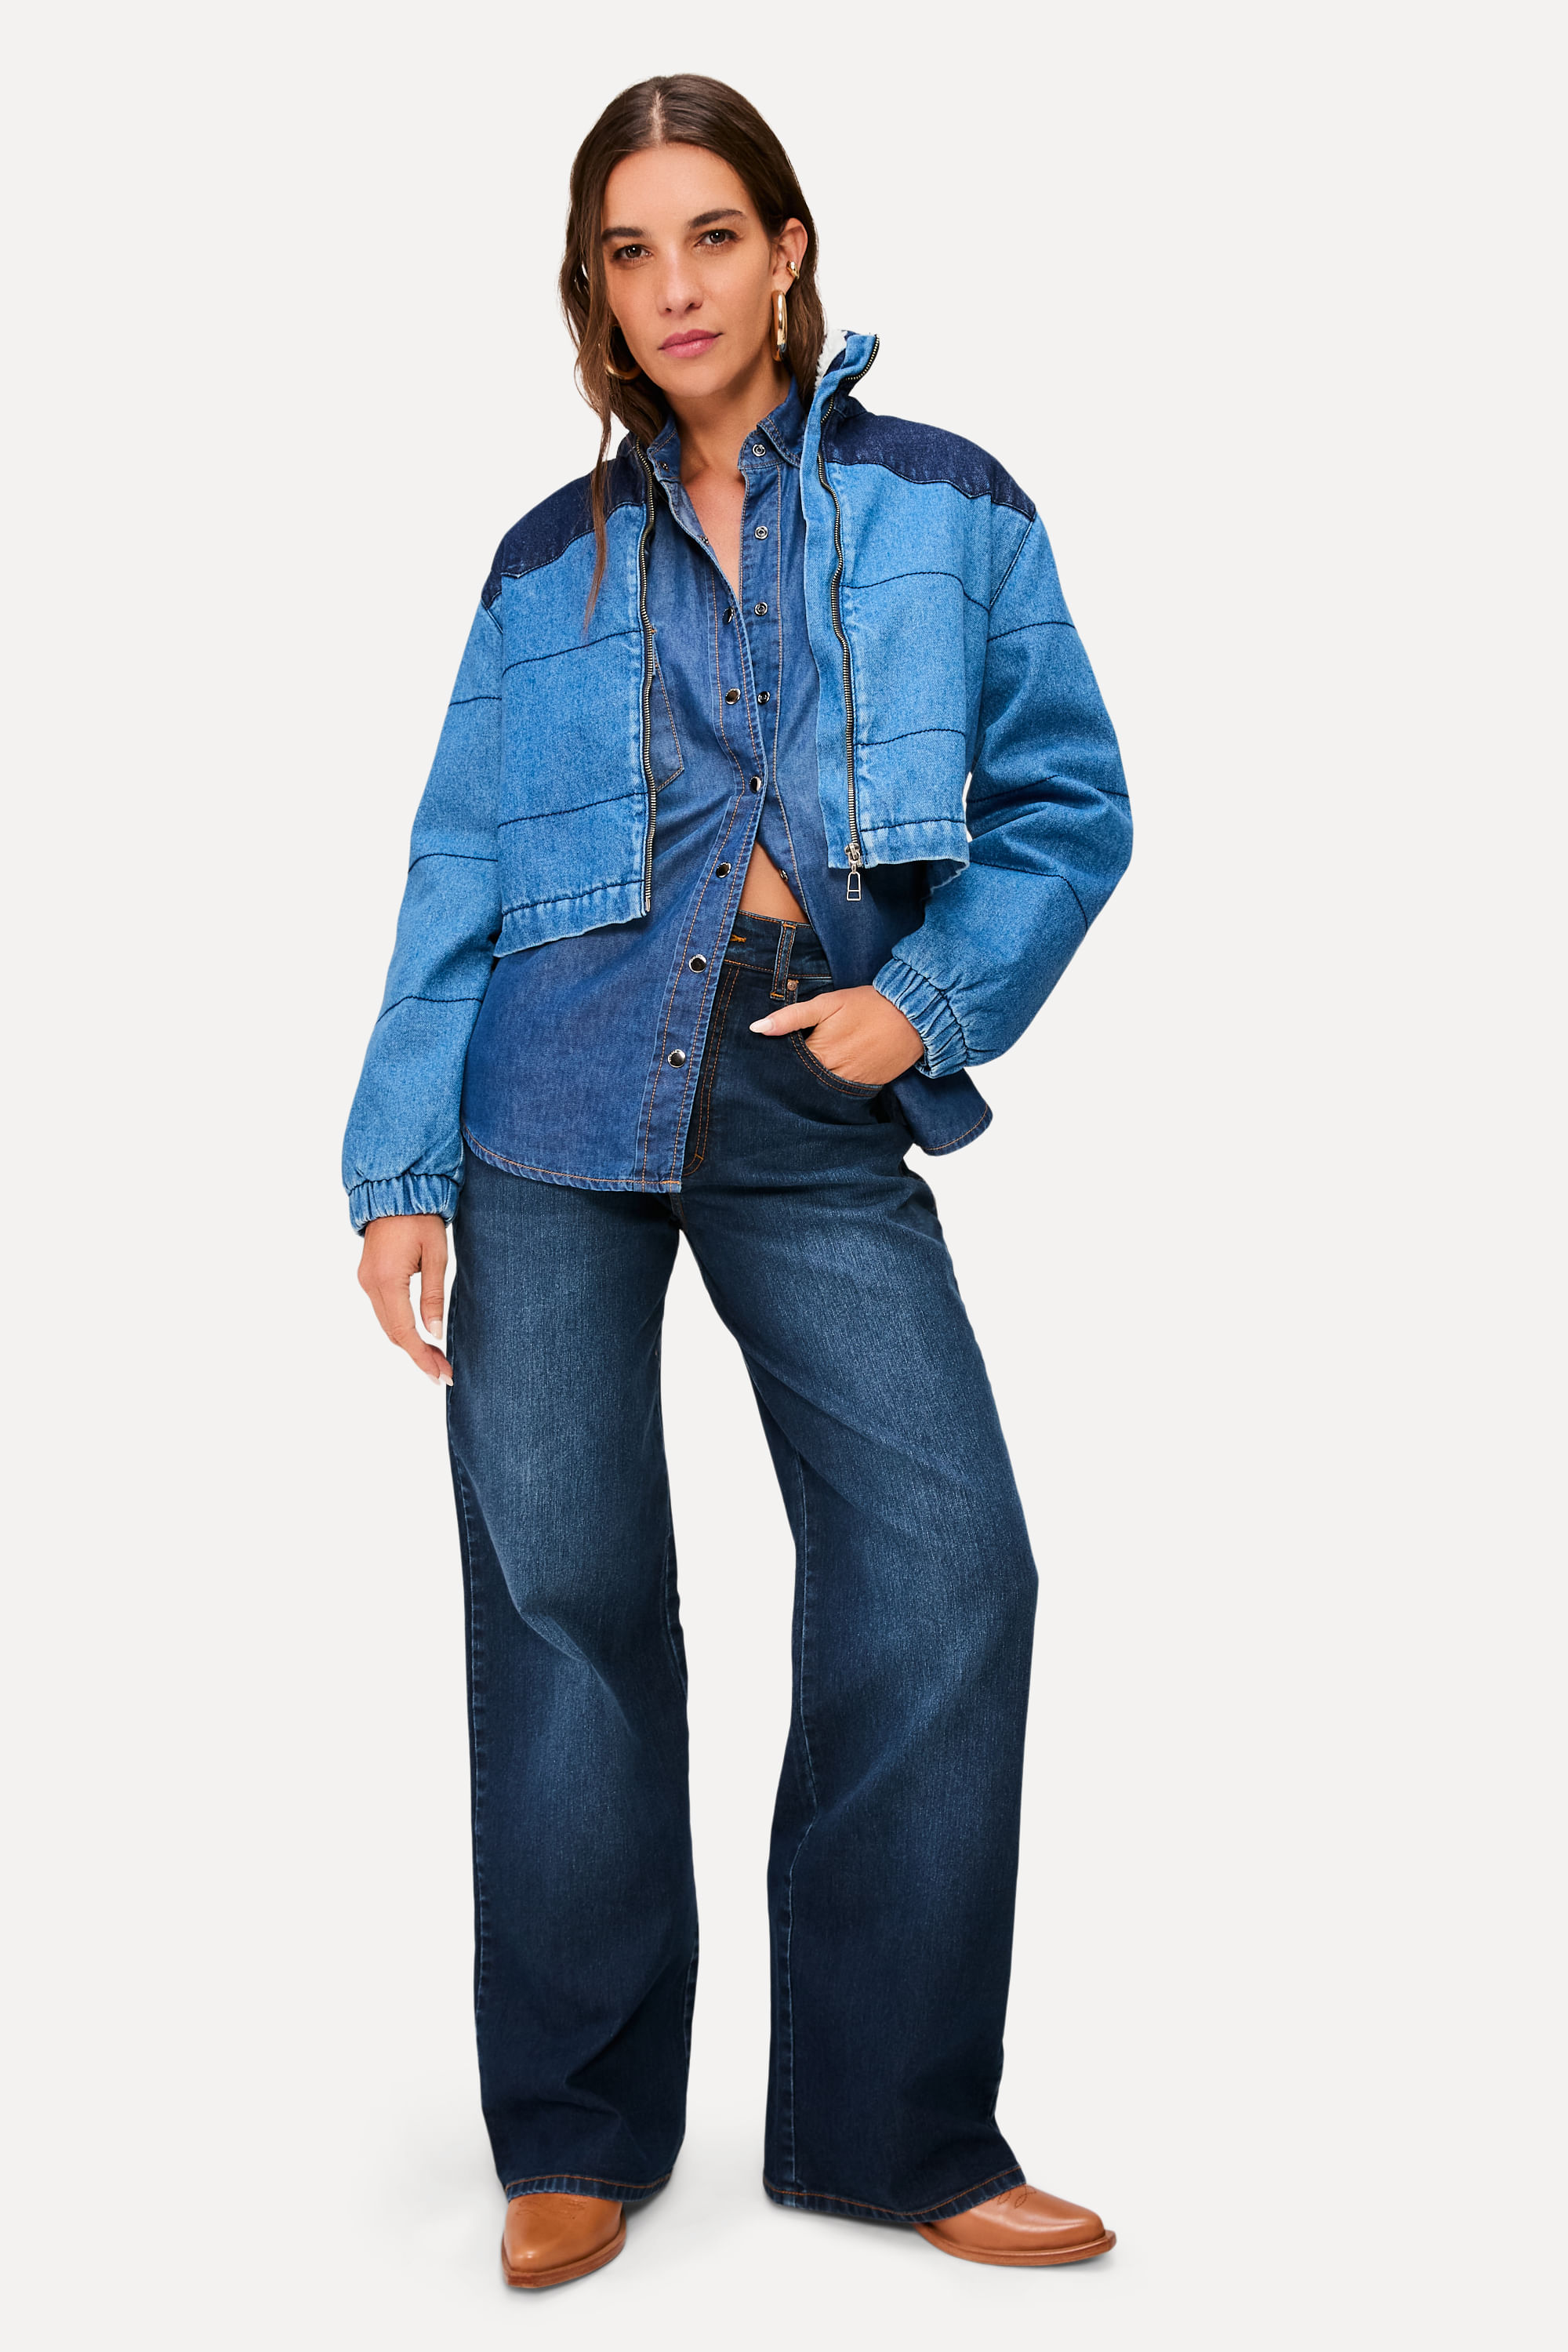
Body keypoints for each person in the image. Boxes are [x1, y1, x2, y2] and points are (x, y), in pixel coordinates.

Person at [344, 73, 1131, 2291]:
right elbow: (460, 866)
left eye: (712, 234)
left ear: (787, 251)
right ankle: (579, 2127)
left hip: (805, 1093)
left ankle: (895, 2127)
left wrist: (929, 1005)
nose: (674, 285)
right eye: (630, 250)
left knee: (948, 1572)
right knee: (565, 1605)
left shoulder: (948, 503)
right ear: (595, 289)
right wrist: (399, 1169)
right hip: (548, 1103)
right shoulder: (546, 560)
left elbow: (1070, 800)